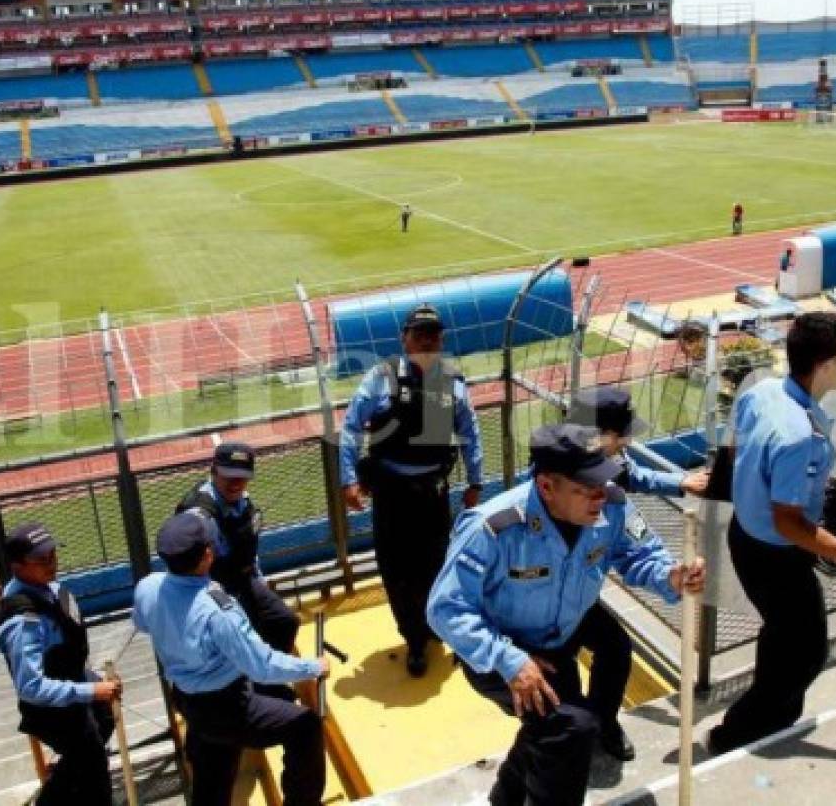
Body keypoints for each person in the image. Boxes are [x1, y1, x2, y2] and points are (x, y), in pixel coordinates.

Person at [428, 424, 705, 804]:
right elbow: (446, 608)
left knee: (556, 721)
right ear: (546, 487)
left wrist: (670, 578)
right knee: (571, 728)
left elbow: (643, 556)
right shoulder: (492, 528)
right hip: (498, 649)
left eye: (603, 484)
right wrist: (510, 660)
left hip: (561, 631)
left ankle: (505, 798)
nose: (600, 497)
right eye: (585, 489)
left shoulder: (612, 506)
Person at [705, 312, 836, 755]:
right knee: (809, 651)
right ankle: (738, 730)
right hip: (777, 554)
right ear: (827, 364)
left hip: (747, 535)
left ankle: (775, 712)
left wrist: (721, 487)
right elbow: (788, 522)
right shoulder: (799, 435)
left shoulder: (761, 392)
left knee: (782, 634)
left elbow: (733, 447)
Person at [133, 512, 330, 806]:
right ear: (208, 555)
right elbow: (261, 666)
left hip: (188, 700)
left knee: (213, 777)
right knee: (305, 727)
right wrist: (313, 667)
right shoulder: (217, 610)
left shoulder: (148, 587)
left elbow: (143, 624)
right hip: (228, 705)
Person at [340, 303, 484, 677]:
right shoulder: (380, 378)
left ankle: (440, 626)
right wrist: (348, 480)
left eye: (433, 333)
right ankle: (414, 639)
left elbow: (470, 433)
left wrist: (475, 480)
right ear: (404, 338)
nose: (427, 339)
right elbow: (351, 428)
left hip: (433, 495)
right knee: (397, 570)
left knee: (439, 566)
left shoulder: (451, 381)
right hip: (391, 496)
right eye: (419, 333)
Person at [0, 523, 120, 806]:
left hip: (73, 694)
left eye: (52, 555)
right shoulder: (21, 620)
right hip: (52, 712)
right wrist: (91, 691)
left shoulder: (47, 589)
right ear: (17, 566)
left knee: (99, 732)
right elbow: (31, 686)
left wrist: (95, 681)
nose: (51, 564)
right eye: (41, 559)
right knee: (95, 775)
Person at [176, 443, 299, 661]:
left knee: (285, 621)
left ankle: (276, 672)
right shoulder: (198, 516)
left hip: (244, 580)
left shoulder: (244, 503)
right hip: (211, 592)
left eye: (242, 477)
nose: (236, 484)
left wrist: (258, 579)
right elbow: (186, 570)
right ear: (214, 471)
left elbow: (247, 549)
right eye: (229, 476)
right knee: (242, 640)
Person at [566, 386, 710, 499]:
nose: (628, 441)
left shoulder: (601, 456)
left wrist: (682, 482)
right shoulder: (560, 483)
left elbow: (629, 475)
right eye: (622, 434)